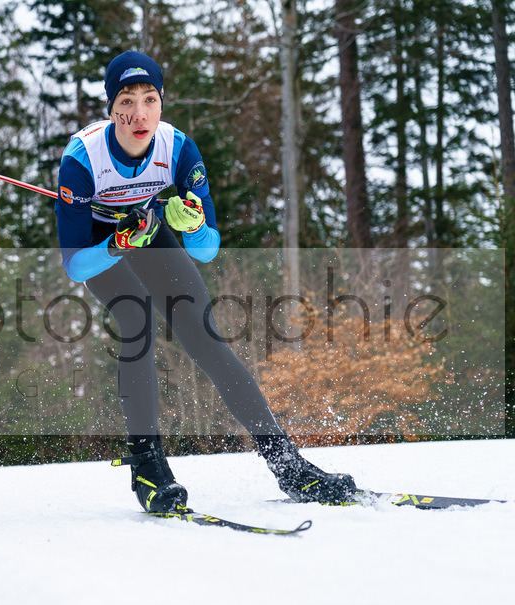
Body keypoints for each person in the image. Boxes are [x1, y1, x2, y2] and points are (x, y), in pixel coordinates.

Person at [55, 50, 359, 513]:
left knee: (205, 337)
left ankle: (289, 466)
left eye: (150, 99)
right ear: (111, 108)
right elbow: (76, 265)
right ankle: (149, 470)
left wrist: (193, 225)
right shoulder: (81, 159)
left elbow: (207, 249)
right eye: (126, 101)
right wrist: (116, 244)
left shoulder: (178, 149)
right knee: (137, 320)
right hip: (102, 243)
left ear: (162, 100)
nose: (140, 114)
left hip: (148, 230)